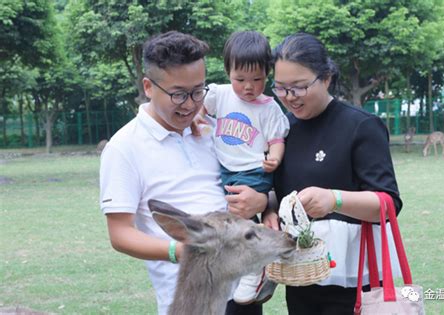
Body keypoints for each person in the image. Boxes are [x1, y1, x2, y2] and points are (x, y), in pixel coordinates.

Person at [99, 31, 267, 315]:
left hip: (241, 295)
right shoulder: (123, 148)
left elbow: (253, 180)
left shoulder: (214, 130)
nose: (190, 104)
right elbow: (120, 234)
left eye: (198, 91)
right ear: (149, 87)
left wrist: (262, 201)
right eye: (178, 94)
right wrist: (181, 251)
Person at [258, 33, 403, 314]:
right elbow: (278, 192)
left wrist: (334, 199)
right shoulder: (282, 129)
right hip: (301, 273)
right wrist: (269, 211)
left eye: (299, 88)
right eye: (281, 88)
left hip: (354, 278)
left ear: (325, 78)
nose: (289, 98)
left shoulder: (361, 126)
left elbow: (388, 204)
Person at [196, 30, 290, 306]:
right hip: (226, 171)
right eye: (240, 79)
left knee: (242, 220)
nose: (248, 87)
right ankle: (253, 263)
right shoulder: (220, 95)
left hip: (254, 171)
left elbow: (276, 139)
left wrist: (274, 157)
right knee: (231, 222)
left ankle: (256, 268)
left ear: (268, 74)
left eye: (257, 79)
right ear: (228, 72)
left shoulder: (269, 108)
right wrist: (199, 119)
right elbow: (200, 109)